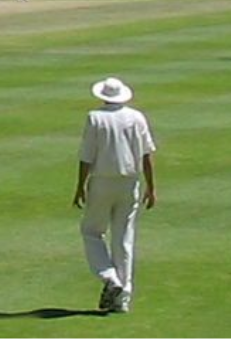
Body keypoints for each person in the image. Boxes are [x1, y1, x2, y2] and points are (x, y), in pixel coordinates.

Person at [74, 77, 157, 314]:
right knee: (124, 238)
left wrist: (80, 186)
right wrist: (151, 187)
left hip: (101, 182)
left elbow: (87, 156)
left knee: (91, 232)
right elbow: (147, 155)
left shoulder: (95, 118)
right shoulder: (136, 117)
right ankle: (123, 298)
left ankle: (111, 278)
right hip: (130, 183)